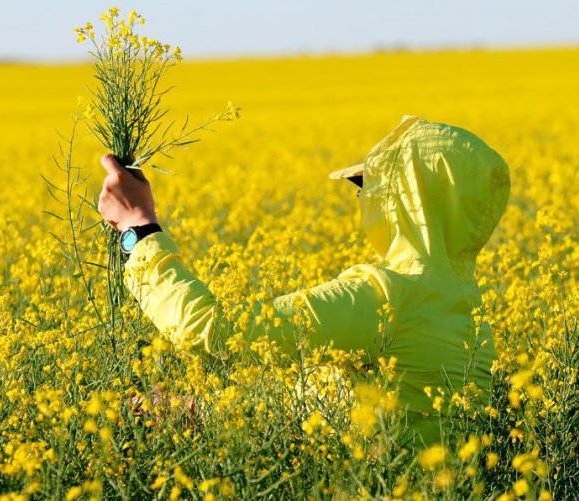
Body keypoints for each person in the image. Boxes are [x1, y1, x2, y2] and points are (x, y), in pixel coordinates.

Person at [98, 115, 511, 445]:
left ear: (410, 200)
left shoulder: (385, 297)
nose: (362, 197)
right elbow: (335, 409)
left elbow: (212, 331)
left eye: (370, 185)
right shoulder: (469, 316)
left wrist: (139, 228)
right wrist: (190, 411)